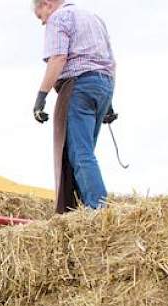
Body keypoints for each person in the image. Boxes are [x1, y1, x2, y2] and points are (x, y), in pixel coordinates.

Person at [31, 0, 117, 213]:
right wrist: (109, 103)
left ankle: (98, 209)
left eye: (40, 16)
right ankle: (82, 209)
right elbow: (111, 61)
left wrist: (41, 97)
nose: (43, 23)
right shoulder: (94, 18)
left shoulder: (59, 18)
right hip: (104, 86)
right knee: (85, 151)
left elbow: (58, 58)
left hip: (78, 86)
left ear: (46, 4)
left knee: (79, 152)